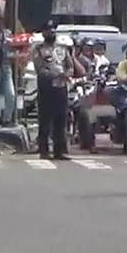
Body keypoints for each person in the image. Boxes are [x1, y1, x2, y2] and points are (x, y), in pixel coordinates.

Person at [32, 21, 85, 160]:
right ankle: (44, 150)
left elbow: (70, 65)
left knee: (61, 120)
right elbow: (40, 69)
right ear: (44, 33)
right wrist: (55, 75)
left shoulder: (62, 49)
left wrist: (68, 73)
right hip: (46, 89)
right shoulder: (39, 50)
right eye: (49, 30)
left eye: (54, 30)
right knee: (45, 120)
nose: (52, 33)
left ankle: (59, 151)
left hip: (61, 88)